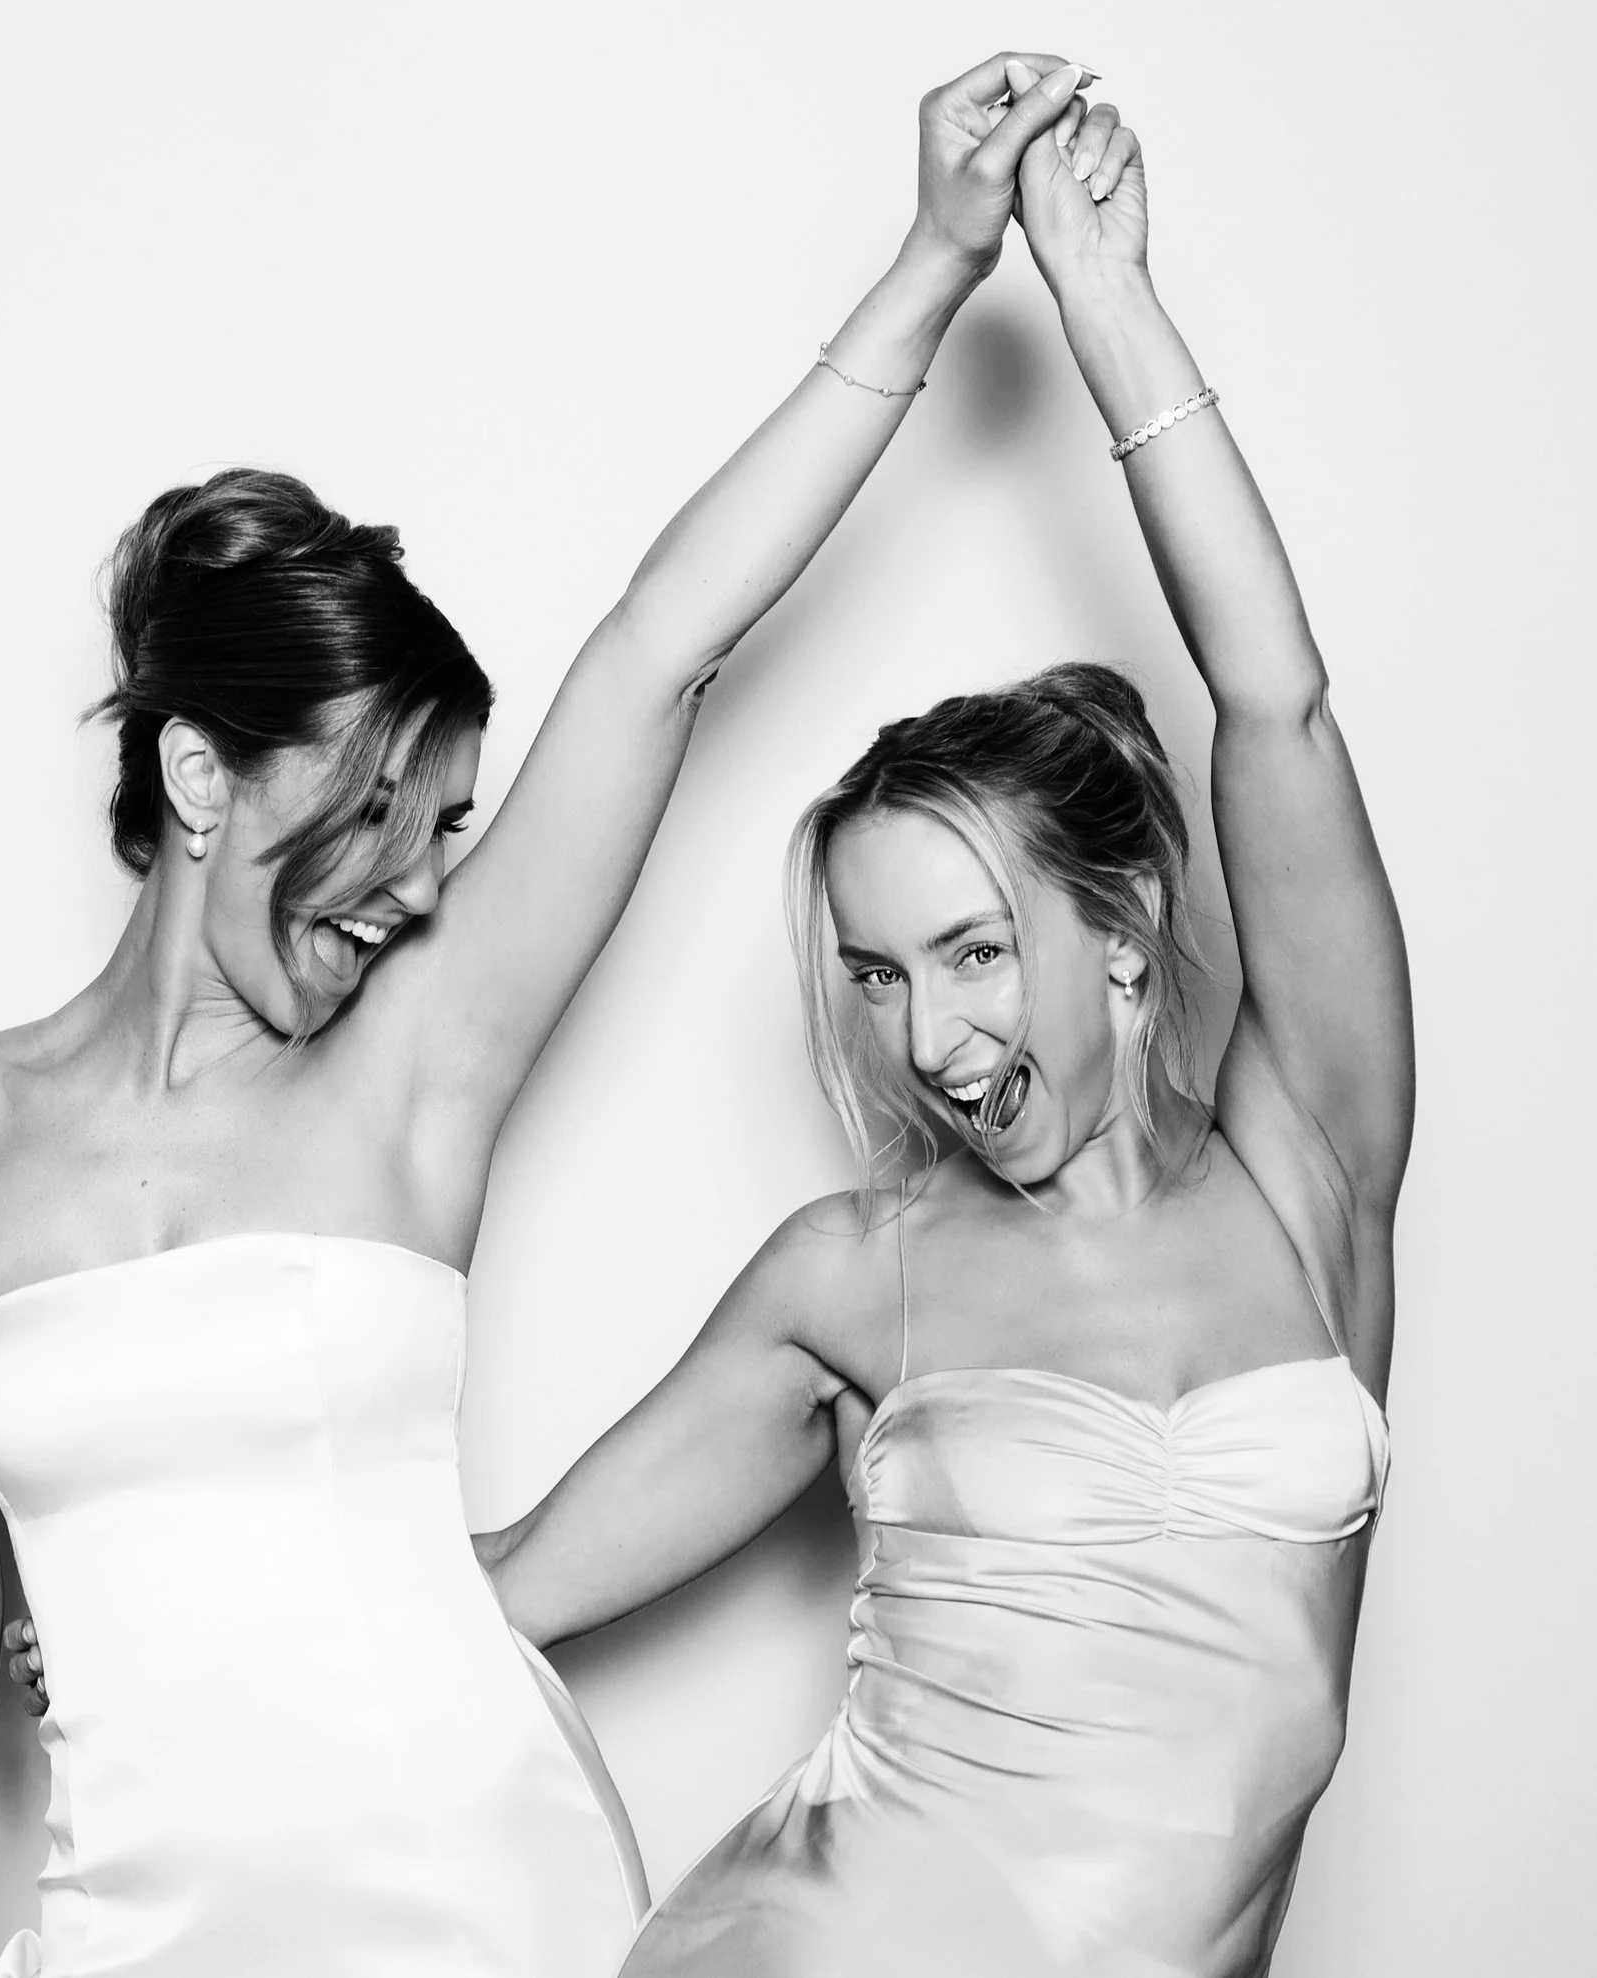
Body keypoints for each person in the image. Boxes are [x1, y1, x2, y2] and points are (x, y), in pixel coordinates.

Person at [0, 55, 1117, 1978]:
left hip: (466, 1895)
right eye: (377, 818)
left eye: (447, 827)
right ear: (203, 782)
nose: (422, 883)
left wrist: (934, 259)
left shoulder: (410, 1074)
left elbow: (659, 647)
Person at [484, 96, 1409, 1978]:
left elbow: (1279, 705)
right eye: (880, 973)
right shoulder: (860, 1278)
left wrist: (1105, 296)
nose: (926, 1035)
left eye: (975, 951)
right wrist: (173, 1603)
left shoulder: (1306, 1177)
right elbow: (492, 1597)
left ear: (1128, 930)